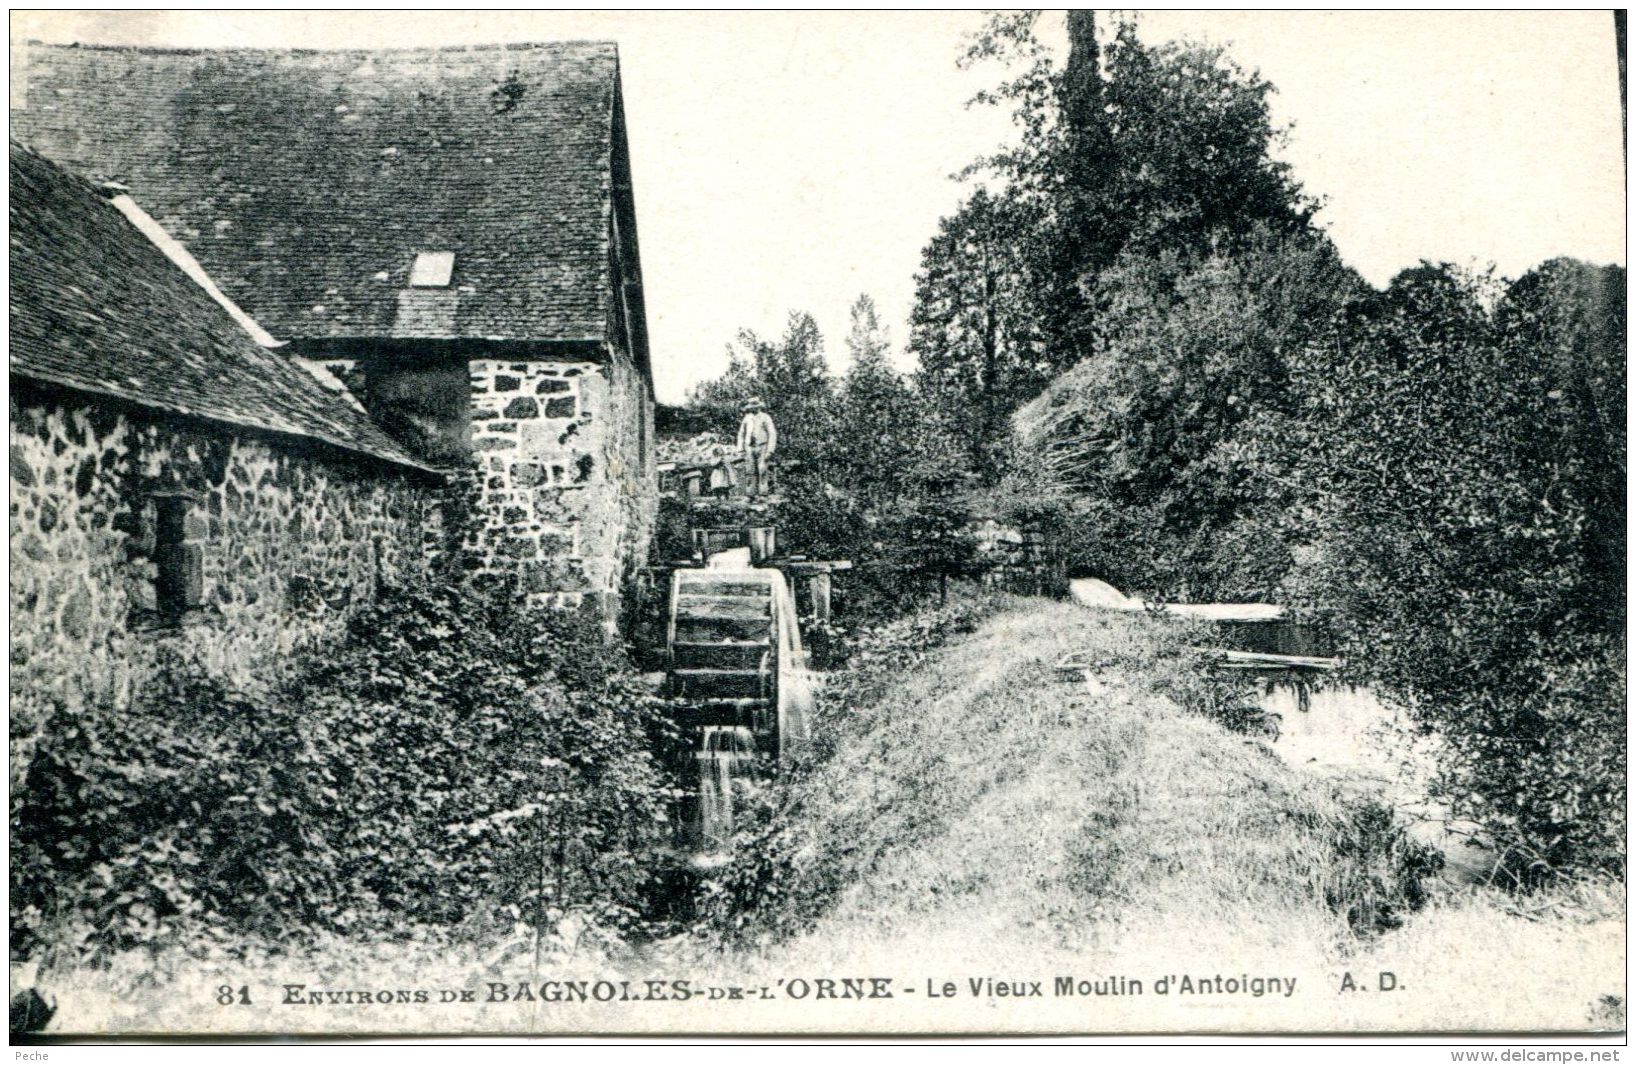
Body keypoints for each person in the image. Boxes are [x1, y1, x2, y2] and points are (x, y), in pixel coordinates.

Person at [735, 396, 777, 498]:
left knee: (762, 469)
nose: (753, 409)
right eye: (751, 407)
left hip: (762, 446)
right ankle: (750, 494)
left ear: (759, 407)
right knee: (750, 470)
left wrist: (770, 451)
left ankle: (763, 494)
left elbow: (772, 434)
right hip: (749, 447)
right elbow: (741, 433)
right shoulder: (747, 418)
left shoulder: (765, 417)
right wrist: (740, 449)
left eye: (755, 407)